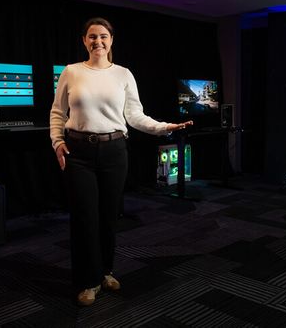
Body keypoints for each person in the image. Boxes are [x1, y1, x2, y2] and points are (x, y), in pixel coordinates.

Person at [50, 17, 192, 306]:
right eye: (92, 36)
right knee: (85, 218)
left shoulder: (124, 74)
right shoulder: (71, 71)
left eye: (103, 36)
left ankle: (105, 271)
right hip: (79, 152)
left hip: (114, 152)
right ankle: (88, 281)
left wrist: (165, 127)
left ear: (111, 40)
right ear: (84, 41)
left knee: (108, 216)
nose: (98, 41)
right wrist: (57, 141)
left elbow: (135, 116)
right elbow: (56, 112)